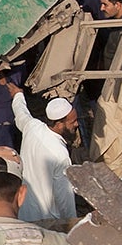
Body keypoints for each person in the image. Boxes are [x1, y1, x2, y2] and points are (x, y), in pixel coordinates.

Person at [12, 87, 77, 225]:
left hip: (24, 212)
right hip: (47, 220)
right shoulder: (60, 154)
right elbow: (65, 197)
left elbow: (21, 112)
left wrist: (18, 95)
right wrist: (72, 222)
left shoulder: (33, 127)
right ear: (59, 124)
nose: (76, 124)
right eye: (72, 122)